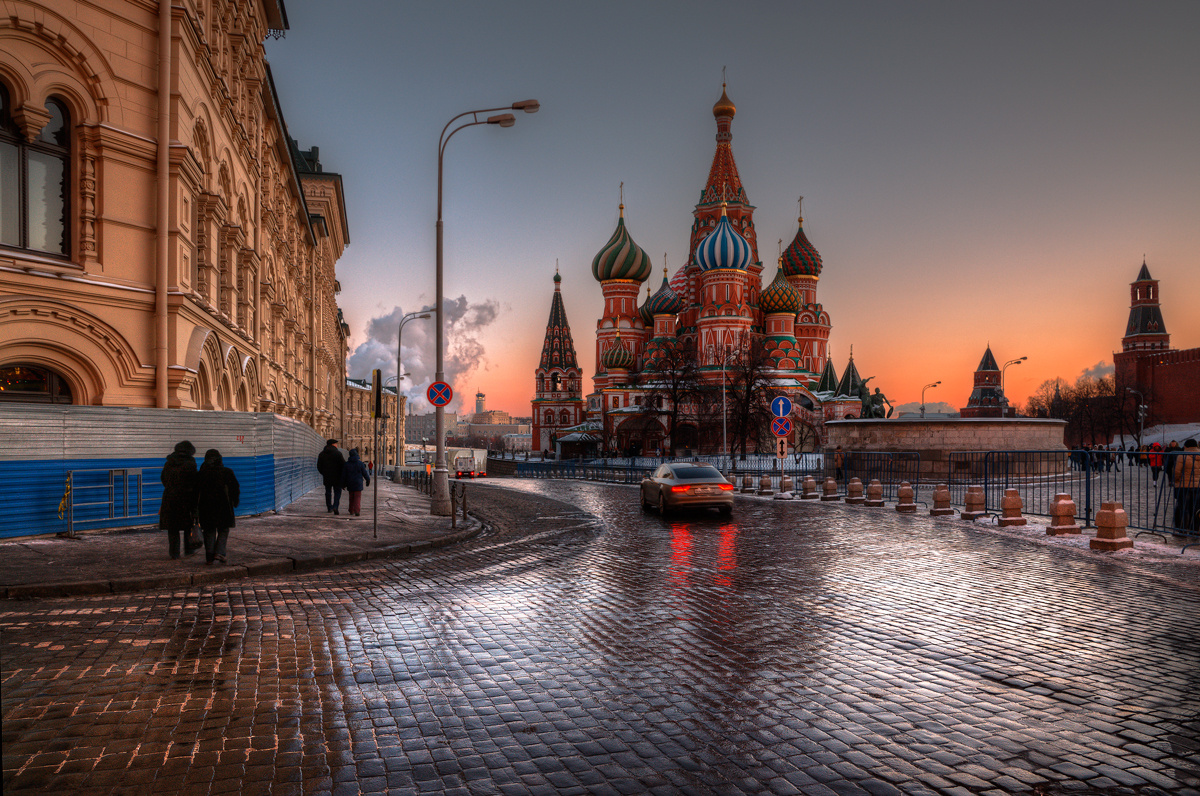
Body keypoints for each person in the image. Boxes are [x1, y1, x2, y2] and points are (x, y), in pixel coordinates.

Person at [195, 449, 240, 564]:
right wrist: (235, 501)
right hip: (223, 507)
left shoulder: (201, 474)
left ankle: (209, 557)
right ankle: (219, 553)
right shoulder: (227, 472)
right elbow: (235, 488)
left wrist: (194, 508)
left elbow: (195, 492)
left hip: (206, 508)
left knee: (209, 530)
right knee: (223, 529)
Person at [160, 440, 200, 559]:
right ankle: (189, 550)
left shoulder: (169, 462)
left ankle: (174, 553)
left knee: (173, 527)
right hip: (186, 498)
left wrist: (171, 488)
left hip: (170, 498)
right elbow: (194, 481)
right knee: (188, 525)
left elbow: (163, 478)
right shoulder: (190, 463)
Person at [1173, 439, 1199, 532]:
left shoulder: (1182, 455)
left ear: (1186, 446)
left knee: (1183, 508)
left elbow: (1177, 471)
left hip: (1184, 485)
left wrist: (1176, 480)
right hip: (1198, 486)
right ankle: (1195, 529)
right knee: (1196, 508)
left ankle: (1182, 528)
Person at [317, 438, 345, 515]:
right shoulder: (338, 454)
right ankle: (335, 506)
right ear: (333, 444)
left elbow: (319, 466)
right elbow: (343, 465)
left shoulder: (322, 454)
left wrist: (324, 473)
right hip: (337, 476)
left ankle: (329, 507)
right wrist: (341, 474)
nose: (336, 445)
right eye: (336, 444)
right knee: (337, 492)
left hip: (327, 476)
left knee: (328, 492)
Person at [342, 448, 370, 517]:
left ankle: (351, 510)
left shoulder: (346, 464)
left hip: (350, 483)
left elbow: (344, 475)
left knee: (351, 497)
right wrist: (368, 480)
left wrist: (343, 484)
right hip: (358, 483)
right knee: (357, 498)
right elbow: (365, 473)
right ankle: (357, 511)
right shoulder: (360, 463)